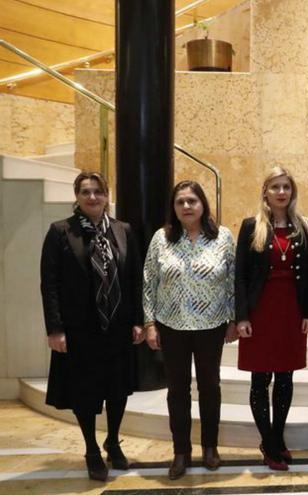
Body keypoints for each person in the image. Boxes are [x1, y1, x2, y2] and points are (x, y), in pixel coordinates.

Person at [39, 171, 145, 482]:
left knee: (117, 389)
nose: (92, 197)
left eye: (98, 191)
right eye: (85, 191)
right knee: (84, 392)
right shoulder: (60, 232)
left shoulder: (123, 230)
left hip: (118, 326)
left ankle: (112, 441)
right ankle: (91, 450)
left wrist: (138, 320)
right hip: (80, 329)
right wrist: (55, 329)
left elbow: (136, 280)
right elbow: (50, 284)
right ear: (77, 196)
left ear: (107, 195)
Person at [143, 180, 236, 480]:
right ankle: (180, 451)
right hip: (172, 325)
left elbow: (234, 281)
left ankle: (210, 446)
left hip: (211, 325)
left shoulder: (223, 237)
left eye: (192, 201)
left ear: (203, 204)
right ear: (174, 207)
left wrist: (233, 319)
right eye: (180, 201)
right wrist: (149, 323)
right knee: (177, 390)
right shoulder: (161, 238)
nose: (186, 206)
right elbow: (149, 281)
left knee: (210, 387)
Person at [234, 167, 308, 471]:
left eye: (286, 187)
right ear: (265, 192)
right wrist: (241, 316)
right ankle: (268, 443)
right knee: (260, 377)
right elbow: (239, 275)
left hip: (290, 311)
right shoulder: (250, 226)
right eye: (275, 187)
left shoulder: (304, 226)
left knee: (285, 376)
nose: (282, 192)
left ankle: (277, 437)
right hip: (260, 311)